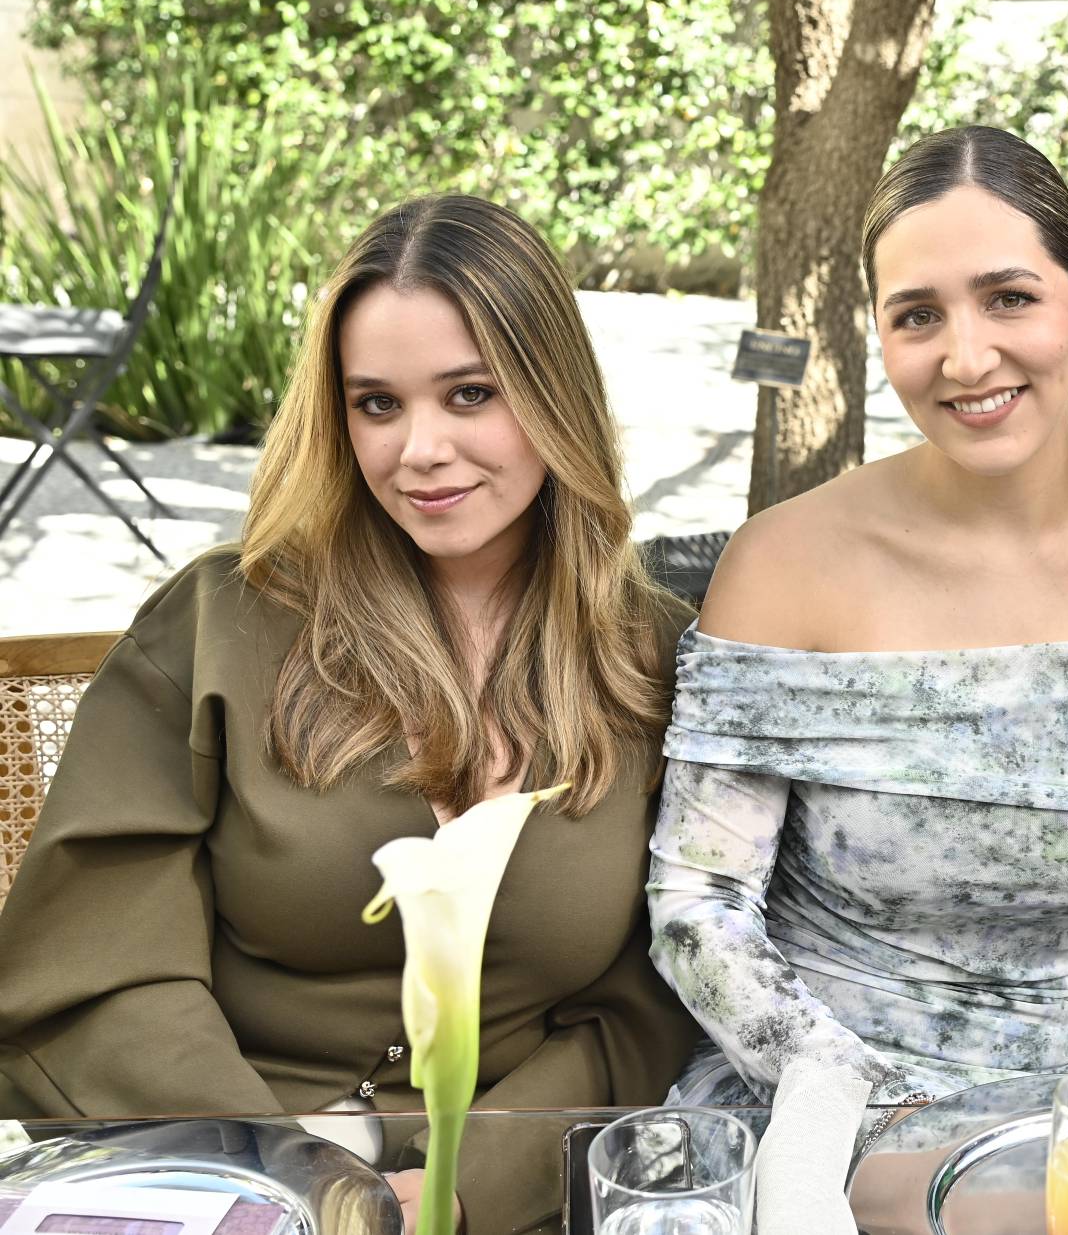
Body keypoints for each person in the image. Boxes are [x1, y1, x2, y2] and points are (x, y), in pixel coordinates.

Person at [0, 194, 695, 1235]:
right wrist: (291, 1173)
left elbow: (661, 987)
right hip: (205, 1169)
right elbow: (100, 968)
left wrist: (479, 1177)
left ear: (555, 395)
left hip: (529, 1189)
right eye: (376, 404)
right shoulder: (220, 623)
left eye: (470, 394)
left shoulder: (655, 657)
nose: (419, 449)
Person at [646, 126, 1068, 1141]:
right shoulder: (780, 566)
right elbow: (698, 905)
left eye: (1008, 297)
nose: (964, 353)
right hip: (807, 1117)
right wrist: (869, 1123)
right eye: (918, 315)